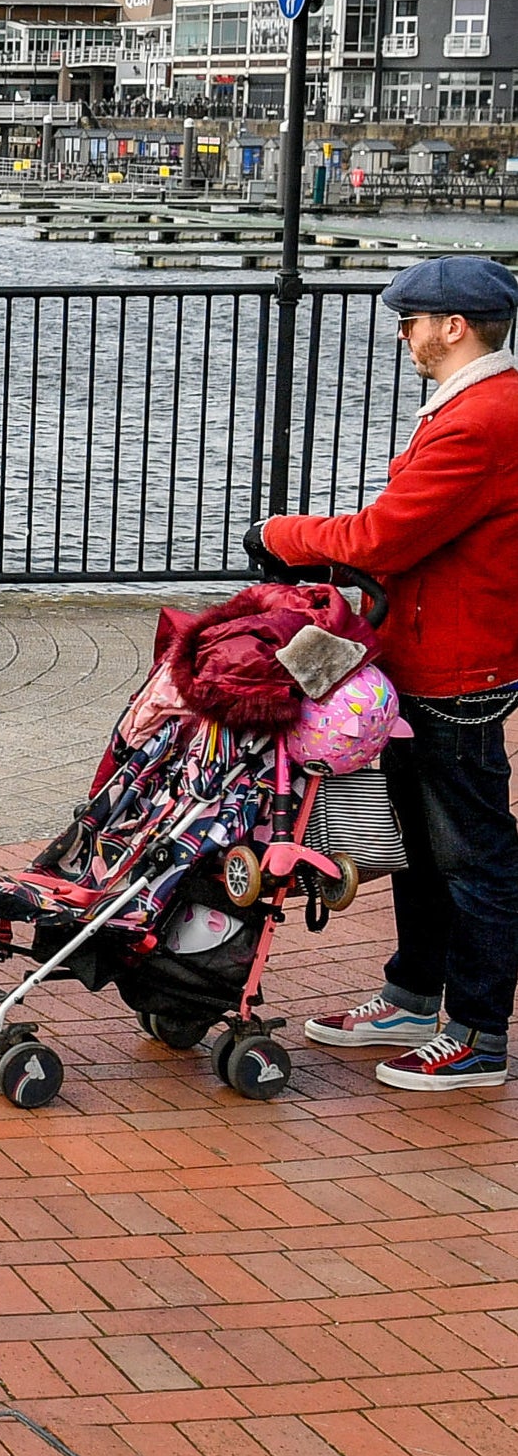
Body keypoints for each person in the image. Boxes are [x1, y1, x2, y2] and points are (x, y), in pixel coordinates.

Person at [266, 256, 518, 1092]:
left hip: (457, 667)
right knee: (417, 845)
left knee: (473, 854)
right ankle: (413, 995)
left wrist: (284, 535)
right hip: (429, 653)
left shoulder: (480, 419)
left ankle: (478, 1034)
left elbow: (382, 537)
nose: (400, 334)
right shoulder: (473, 408)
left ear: (454, 327)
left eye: (409, 320)